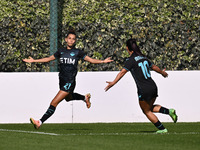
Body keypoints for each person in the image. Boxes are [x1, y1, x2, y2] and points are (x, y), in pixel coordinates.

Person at [23, 30, 113, 129]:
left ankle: (40, 122)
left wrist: (102, 61)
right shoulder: (61, 51)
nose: (71, 40)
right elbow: (49, 59)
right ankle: (84, 98)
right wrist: (34, 60)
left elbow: (91, 60)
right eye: (69, 38)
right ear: (66, 40)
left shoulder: (77, 52)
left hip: (70, 81)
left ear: (75, 41)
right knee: (68, 98)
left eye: (73, 39)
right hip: (62, 79)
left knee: (54, 102)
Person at [105, 39, 177, 133]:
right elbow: (154, 67)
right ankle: (169, 111)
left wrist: (113, 83)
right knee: (149, 108)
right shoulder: (143, 57)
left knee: (146, 111)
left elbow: (122, 72)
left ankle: (162, 129)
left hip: (143, 89)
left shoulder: (130, 60)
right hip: (153, 86)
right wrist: (162, 73)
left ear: (127, 48)